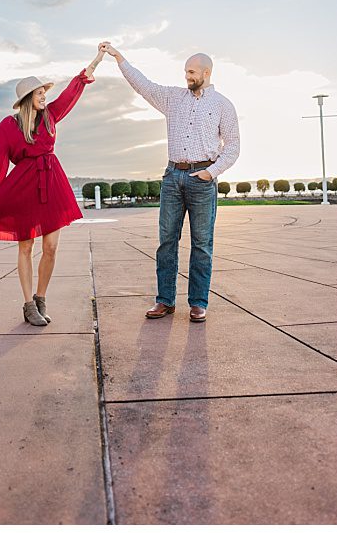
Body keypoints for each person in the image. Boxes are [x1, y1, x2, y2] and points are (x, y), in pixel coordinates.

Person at [98, 41, 240, 322]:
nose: (187, 76)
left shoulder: (223, 105)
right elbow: (144, 85)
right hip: (173, 177)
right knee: (166, 242)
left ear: (206, 73)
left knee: (201, 244)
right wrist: (119, 58)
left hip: (202, 179)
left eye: (191, 72)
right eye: (185, 71)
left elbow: (233, 145)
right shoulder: (173, 98)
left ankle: (198, 302)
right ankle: (165, 301)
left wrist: (211, 172)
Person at [0, 48, 106, 326]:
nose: (44, 96)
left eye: (44, 92)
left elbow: (72, 93)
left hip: (51, 181)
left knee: (52, 246)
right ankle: (28, 304)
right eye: (39, 93)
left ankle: (41, 297)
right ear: (27, 99)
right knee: (25, 246)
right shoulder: (8, 126)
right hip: (24, 186)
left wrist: (94, 62)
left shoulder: (51, 116)